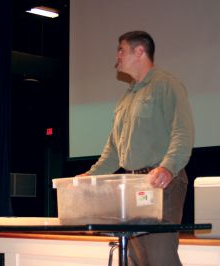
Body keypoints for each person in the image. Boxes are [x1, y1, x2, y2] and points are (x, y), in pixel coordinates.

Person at [78, 31, 194, 265]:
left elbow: (183, 132)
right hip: (134, 187)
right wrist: (88, 178)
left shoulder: (166, 85)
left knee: (159, 255)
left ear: (139, 51)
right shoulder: (127, 97)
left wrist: (167, 168)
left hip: (163, 183)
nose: (117, 56)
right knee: (136, 257)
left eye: (121, 49)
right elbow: (113, 152)